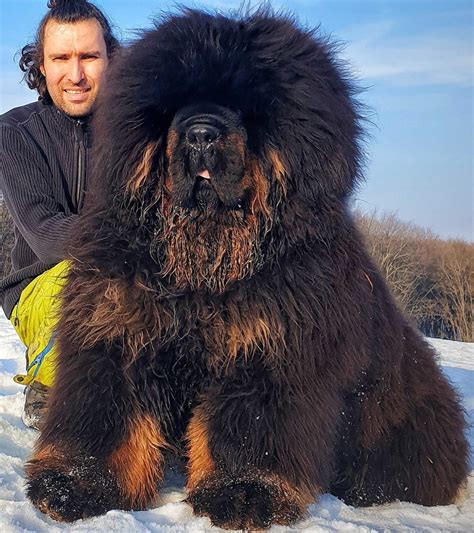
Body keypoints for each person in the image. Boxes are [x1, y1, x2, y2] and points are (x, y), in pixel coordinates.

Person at [0, 0, 119, 429]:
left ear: (111, 59)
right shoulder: (13, 133)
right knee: (84, 294)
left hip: (135, 268)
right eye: (60, 58)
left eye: (89, 56)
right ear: (41, 65)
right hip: (41, 280)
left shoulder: (140, 130)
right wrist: (134, 241)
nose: (75, 75)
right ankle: (51, 383)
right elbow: (46, 233)